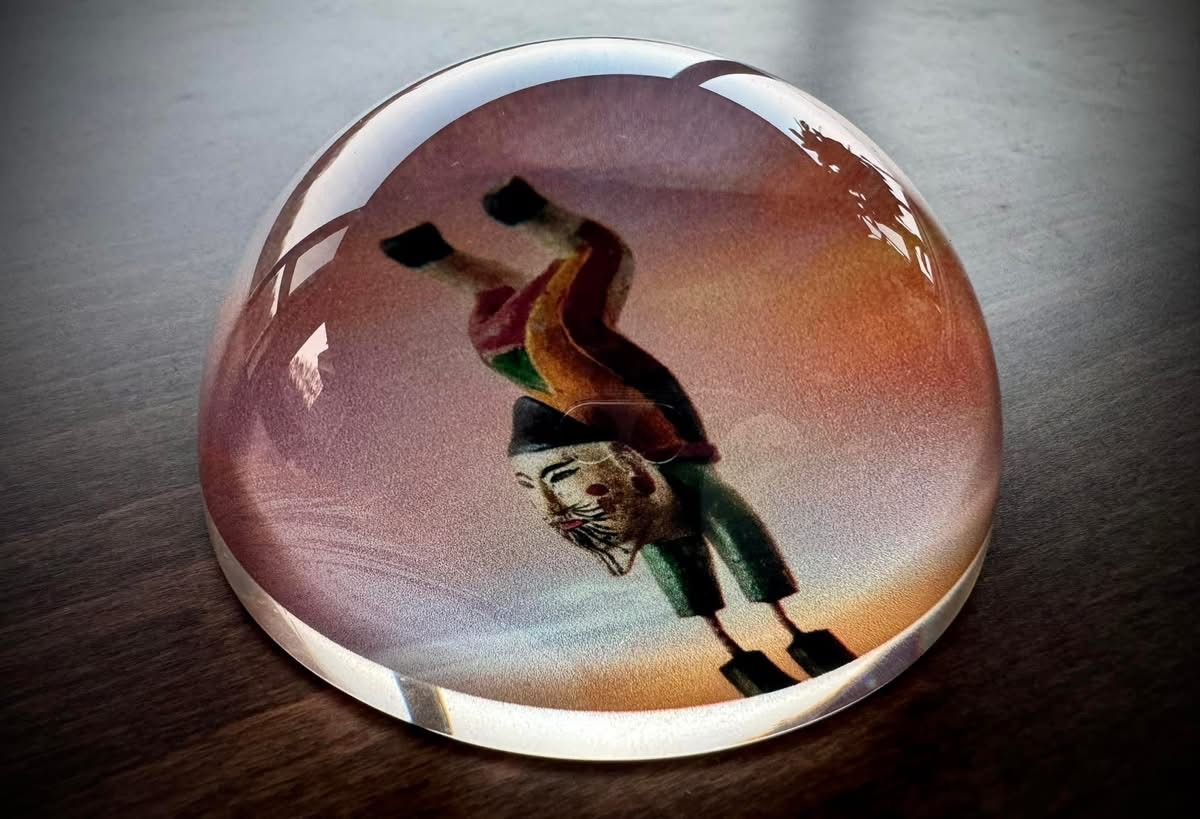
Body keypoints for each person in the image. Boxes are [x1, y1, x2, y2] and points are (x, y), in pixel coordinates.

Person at [382, 178, 854, 693]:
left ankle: (753, 644)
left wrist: (526, 222)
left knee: (679, 524)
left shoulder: (541, 346)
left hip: (550, 368)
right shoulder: (551, 344)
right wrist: (534, 218)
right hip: (565, 376)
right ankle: (766, 642)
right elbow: (601, 251)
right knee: (578, 262)